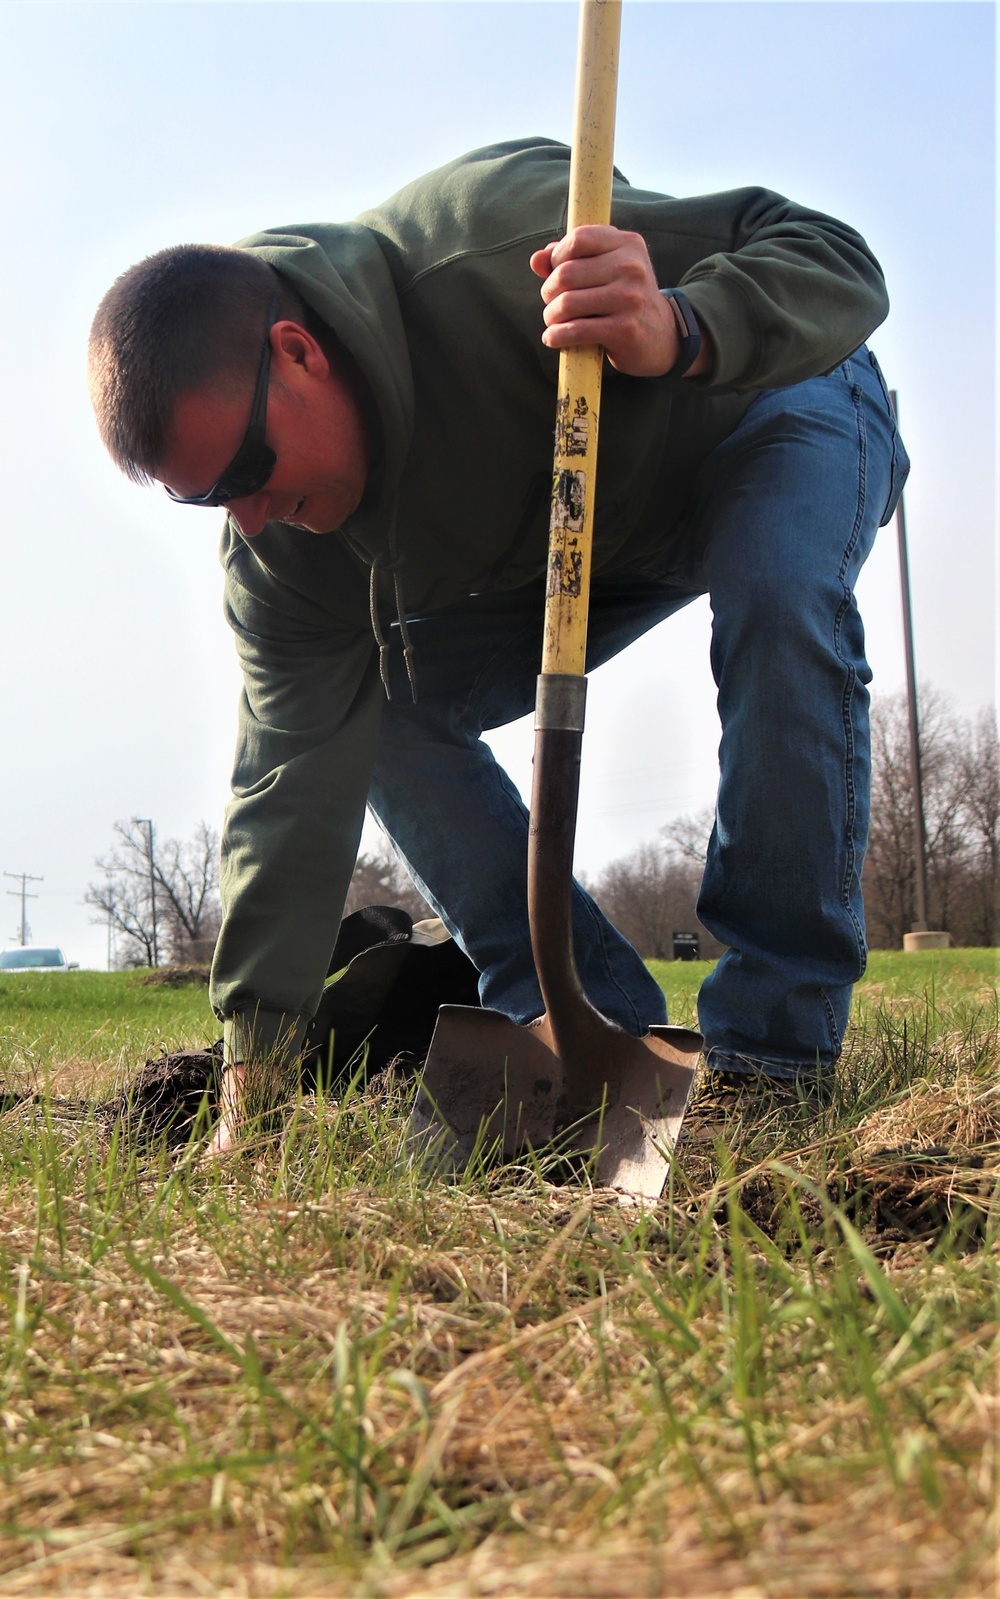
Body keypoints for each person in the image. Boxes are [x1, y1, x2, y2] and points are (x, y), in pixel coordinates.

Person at [86, 138, 908, 1150]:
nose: (249, 517)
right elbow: (285, 786)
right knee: (375, 710)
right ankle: (580, 1019)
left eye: (248, 467)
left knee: (777, 593)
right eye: (210, 499)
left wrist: (680, 324)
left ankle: (774, 1056)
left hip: (769, 408)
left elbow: (830, 255)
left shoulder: (496, 239)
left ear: (299, 350)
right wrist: (252, 1080)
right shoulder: (283, 553)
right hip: (594, 535)